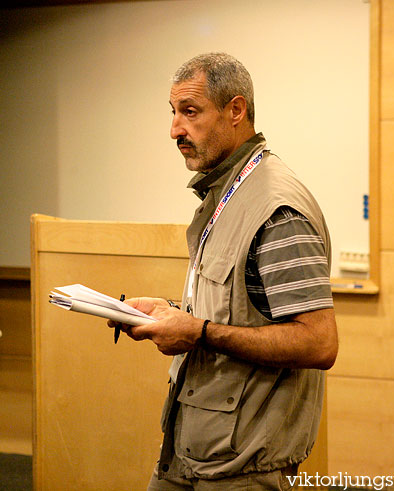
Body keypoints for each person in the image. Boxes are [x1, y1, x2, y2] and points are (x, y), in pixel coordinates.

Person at [109, 53, 338, 490]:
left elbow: (319, 342)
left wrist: (198, 332)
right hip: (192, 445)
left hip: (244, 463)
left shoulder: (276, 209)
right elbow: (235, 312)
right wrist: (170, 313)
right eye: (173, 113)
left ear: (236, 111)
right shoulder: (229, 192)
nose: (175, 129)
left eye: (190, 112)